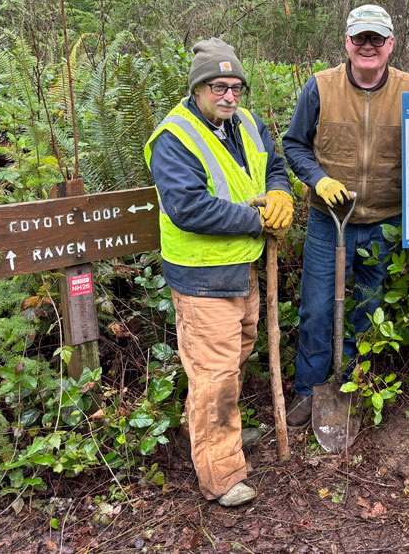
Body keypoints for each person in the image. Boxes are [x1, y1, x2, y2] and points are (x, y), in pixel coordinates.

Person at [145, 38, 294, 507]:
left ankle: (214, 440)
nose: (229, 96)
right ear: (198, 88)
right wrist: (257, 219)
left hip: (242, 269)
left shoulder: (245, 121)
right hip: (202, 279)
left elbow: (274, 163)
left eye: (235, 87)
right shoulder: (175, 137)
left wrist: (280, 194)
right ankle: (222, 474)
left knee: (234, 360)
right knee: (214, 375)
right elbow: (188, 207)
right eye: (218, 87)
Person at [282, 5, 409, 428]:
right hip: (330, 222)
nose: (368, 46)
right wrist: (317, 178)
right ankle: (309, 391)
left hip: (384, 223)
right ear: (346, 41)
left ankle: (352, 385)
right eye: (359, 38)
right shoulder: (320, 88)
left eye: (376, 39)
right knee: (316, 309)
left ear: (390, 45)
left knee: (367, 309)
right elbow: (294, 146)